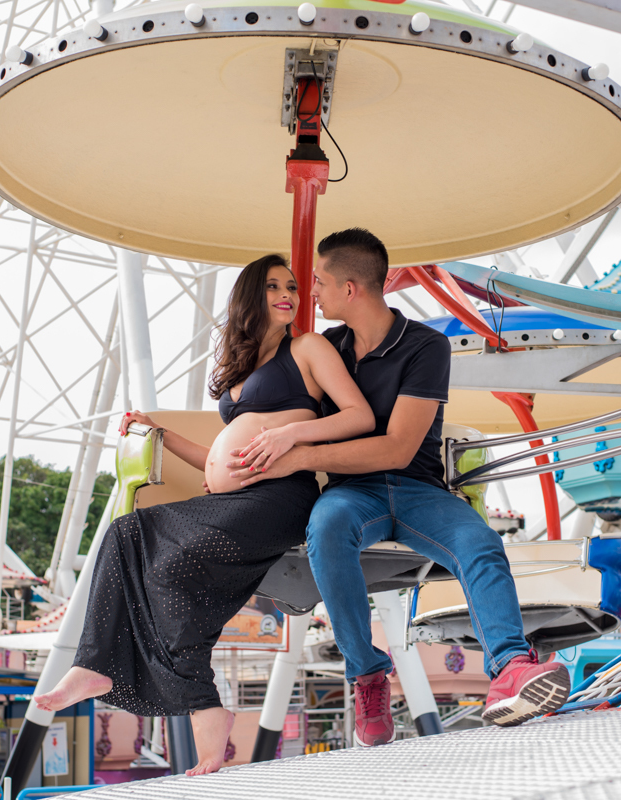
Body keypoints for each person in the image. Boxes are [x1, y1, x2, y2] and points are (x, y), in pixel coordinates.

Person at [33, 254, 374, 774]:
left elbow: (359, 416)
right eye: (273, 286)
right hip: (231, 499)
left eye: (292, 287)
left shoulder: (308, 348)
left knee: (172, 565)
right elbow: (221, 457)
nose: (288, 295)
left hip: (281, 495)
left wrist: (289, 434)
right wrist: (161, 435)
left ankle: (202, 708)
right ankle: (95, 664)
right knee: (124, 533)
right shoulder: (244, 369)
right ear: (249, 296)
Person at [228, 229, 571, 745]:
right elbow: (268, 394)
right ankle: (368, 674)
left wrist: (297, 454)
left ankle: (511, 669)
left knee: (480, 542)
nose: (310, 292)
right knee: (327, 528)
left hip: (417, 490)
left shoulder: (425, 346)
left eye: (317, 281)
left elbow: (397, 450)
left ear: (349, 289)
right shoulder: (324, 348)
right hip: (352, 494)